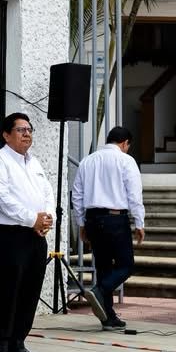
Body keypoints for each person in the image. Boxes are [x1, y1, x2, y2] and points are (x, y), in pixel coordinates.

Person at [0, 113, 54, 352]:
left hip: (35, 234)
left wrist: (47, 218)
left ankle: (18, 342)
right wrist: (32, 218)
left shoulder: (34, 162)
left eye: (29, 129)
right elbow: (1, 198)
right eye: (21, 129)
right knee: (8, 290)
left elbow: (47, 192)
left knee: (30, 290)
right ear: (6, 134)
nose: (27, 134)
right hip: (9, 234)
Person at [72, 126, 145, 330]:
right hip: (115, 218)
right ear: (125, 143)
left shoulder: (88, 161)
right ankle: (99, 290)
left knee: (103, 267)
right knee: (126, 265)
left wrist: (81, 223)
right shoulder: (125, 160)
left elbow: (77, 194)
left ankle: (108, 318)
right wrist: (139, 222)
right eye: (128, 146)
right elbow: (134, 195)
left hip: (92, 219)